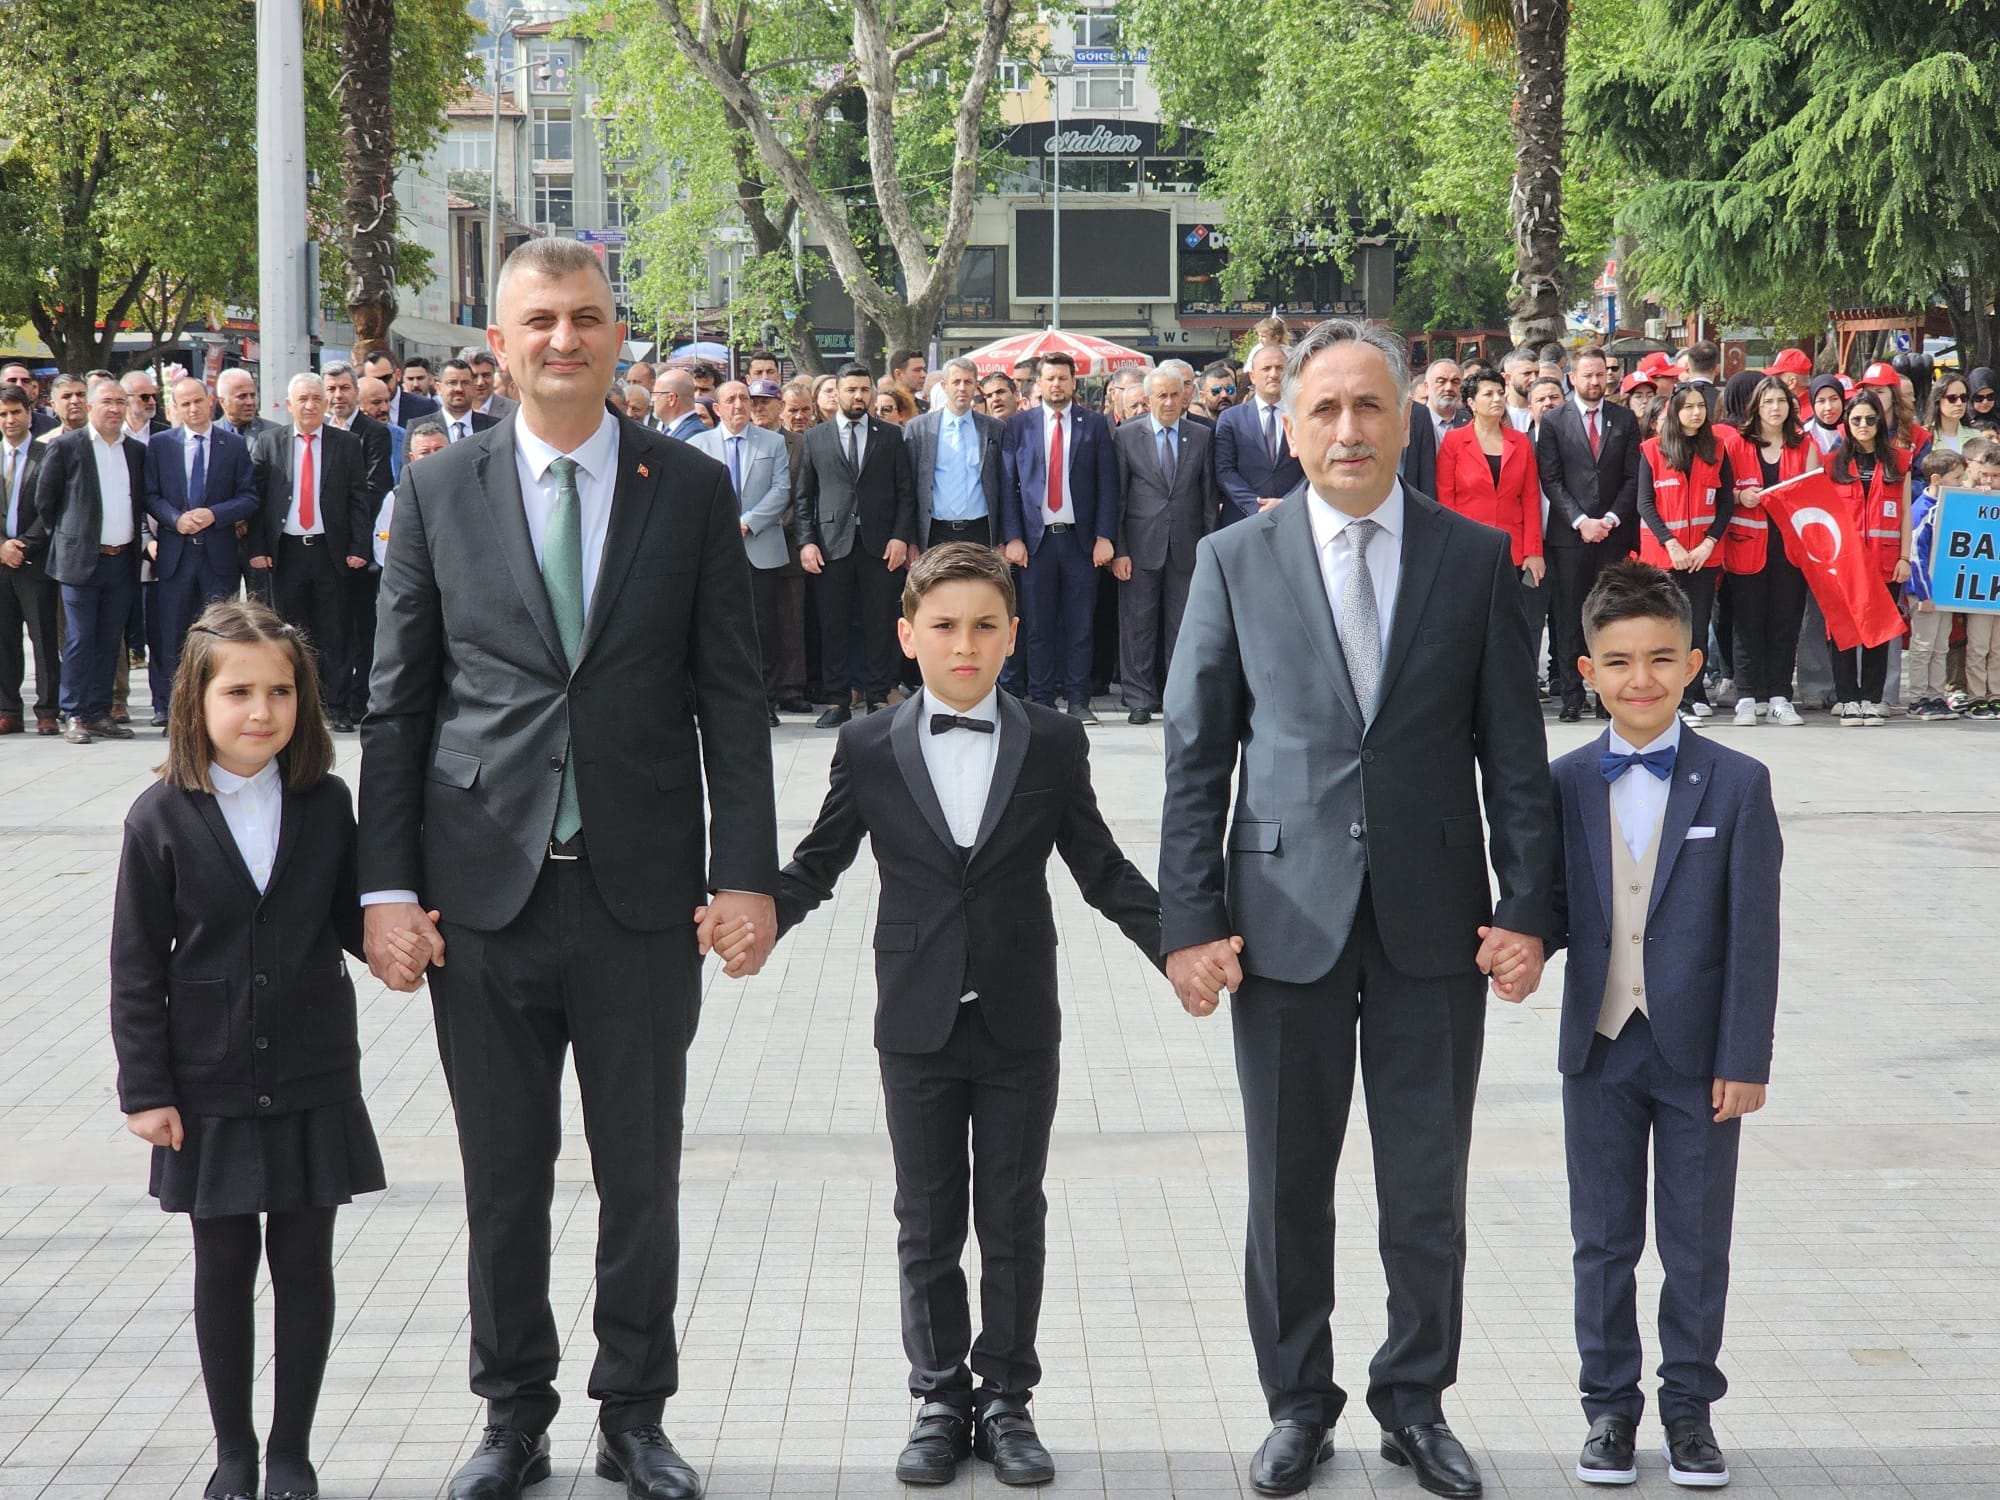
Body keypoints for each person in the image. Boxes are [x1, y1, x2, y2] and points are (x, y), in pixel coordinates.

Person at [360, 236, 779, 1500]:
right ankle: (511, 1414)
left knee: (639, 1173)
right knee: (502, 1178)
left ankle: (633, 1417)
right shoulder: (439, 491)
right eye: (538, 320)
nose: (563, 340)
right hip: (481, 896)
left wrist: (747, 874)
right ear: (497, 342)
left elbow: (733, 700)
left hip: (641, 895)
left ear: (617, 335)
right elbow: (399, 705)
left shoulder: (688, 490)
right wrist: (385, 889)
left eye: (586, 318)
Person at [1160, 318, 1554, 1500]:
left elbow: (1515, 758)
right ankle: (1295, 1404)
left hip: (1439, 919)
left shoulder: (1471, 561)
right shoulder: (1235, 559)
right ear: (1287, 429)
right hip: (1279, 920)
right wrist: (1188, 920)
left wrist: (1530, 906)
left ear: (1404, 421)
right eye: (1323, 409)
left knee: (1424, 1182)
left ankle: (1414, 1402)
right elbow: (1193, 753)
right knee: (1288, 1183)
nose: (1346, 429)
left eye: (1368, 407)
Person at [746, 543, 1161, 1489]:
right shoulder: (868, 745)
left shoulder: (1053, 741)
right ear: (907, 637)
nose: (963, 646)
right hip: (918, 1018)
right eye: (943, 627)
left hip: (1020, 1015)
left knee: (1013, 1216)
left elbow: (1100, 867)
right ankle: (939, 1395)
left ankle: (1007, 1397)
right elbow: (818, 862)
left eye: (983, 626)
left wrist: (1180, 942)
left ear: (1013, 636)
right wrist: (752, 914)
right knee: (927, 1219)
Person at [110, 600, 406, 1500]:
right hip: (208, 1080)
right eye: (238, 692)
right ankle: (234, 1452)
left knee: (305, 1267)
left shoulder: (323, 800)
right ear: (194, 701)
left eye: (280, 691)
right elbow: (133, 965)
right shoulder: (159, 814)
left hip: (313, 1068)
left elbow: (355, 916)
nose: (260, 712)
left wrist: (408, 940)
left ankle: (291, 1453)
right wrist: (145, 1089)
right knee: (224, 1267)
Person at [1548, 560, 1781, 1492]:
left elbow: (1755, 934)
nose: (1639, 680)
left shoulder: (1737, 782)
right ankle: (1608, 1410)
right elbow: (1546, 904)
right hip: (1598, 1048)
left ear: (1693, 663)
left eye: (1659, 660)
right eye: (1618, 662)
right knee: (1602, 1239)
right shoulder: (1562, 781)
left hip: (1699, 1058)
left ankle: (1689, 1409)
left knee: (1694, 1240)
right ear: (1587, 669)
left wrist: (1745, 1057)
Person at [247, 374, 374, 728]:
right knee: (291, 632)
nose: (310, 405)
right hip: (286, 553)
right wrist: (257, 547)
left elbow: (358, 499)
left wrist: (358, 546)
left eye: (317, 398)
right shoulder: (269, 443)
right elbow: (255, 501)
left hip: (329, 552)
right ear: (289, 404)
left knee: (335, 633)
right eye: (302, 399)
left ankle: (335, 707)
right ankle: (300, 708)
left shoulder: (346, 444)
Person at [796, 362, 919, 725]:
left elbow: (905, 494)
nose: (859, 396)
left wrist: (900, 537)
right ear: (836, 392)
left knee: (880, 621)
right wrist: (806, 542)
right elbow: (804, 496)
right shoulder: (815, 438)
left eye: (865, 389)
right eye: (851, 389)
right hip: (831, 545)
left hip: (880, 545)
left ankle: (879, 694)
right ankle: (838, 700)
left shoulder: (890, 435)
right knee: (833, 624)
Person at [998, 352, 1118, 723]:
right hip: (1036, 543)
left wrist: (1104, 536)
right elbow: (1009, 487)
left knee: (1080, 624)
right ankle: (1042, 699)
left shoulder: (1094, 425)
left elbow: (1107, 485)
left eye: (1063, 378)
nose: (1056, 385)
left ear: (1073, 383)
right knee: (1037, 624)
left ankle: (1079, 700)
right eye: (1049, 378)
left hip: (1080, 542)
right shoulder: (1020, 426)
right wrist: (1013, 537)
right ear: (1037, 384)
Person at [35, 377, 145, 744]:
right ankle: (75, 713)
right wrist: (71, 539)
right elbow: (45, 503)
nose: (115, 409)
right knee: (80, 639)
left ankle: (100, 712)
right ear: (92, 407)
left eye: (120, 402)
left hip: (121, 560)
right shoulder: (68, 447)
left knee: (110, 639)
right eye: (108, 402)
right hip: (81, 561)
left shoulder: (135, 451)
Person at [144, 377, 260, 723]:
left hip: (218, 554)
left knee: (219, 632)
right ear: (175, 409)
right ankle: (168, 705)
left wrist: (215, 514)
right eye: (185, 404)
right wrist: (175, 519)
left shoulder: (233, 445)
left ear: (211, 402)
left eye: (198, 401)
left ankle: (216, 701)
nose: (193, 409)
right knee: (172, 632)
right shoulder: (160, 445)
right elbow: (150, 495)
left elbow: (249, 497)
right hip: (176, 554)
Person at [1540, 346, 1644, 721]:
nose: (1595, 382)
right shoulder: (1554, 421)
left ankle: (1606, 695)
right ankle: (1571, 695)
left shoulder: (1625, 419)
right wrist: (1580, 520)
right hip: (1570, 538)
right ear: (1573, 378)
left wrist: (1612, 518)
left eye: (1601, 375)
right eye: (1587, 375)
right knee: (1569, 617)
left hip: (1613, 535)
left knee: (1610, 616)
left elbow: (1634, 476)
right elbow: (1550, 478)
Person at [1111, 367, 1219, 726]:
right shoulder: (1126, 436)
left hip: (1187, 546)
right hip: (1140, 547)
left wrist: (1208, 546)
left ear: (1185, 396)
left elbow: (1207, 498)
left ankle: (1178, 697)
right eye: (1162, 396)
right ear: (1148, 398)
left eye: (1176, 394)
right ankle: (1139, 698)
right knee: (1137, 626)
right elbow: (1119, 498)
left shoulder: (1201, 436)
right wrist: (1120, 549)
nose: (1170, 402)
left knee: (1183, 626)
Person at [690, 381, 793, 725]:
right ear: (716, 408)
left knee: (764, 626)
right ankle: (725, 699)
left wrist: (748, 522)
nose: (739, 404)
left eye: (744, 398)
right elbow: (694, 495)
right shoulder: (698, 445)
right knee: (719, 626)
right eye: (730, 399)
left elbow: (781, 490)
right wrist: (722, 527)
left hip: (759, 547)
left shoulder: (773, 442)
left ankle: (765, 699)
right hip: (715, 552)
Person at [1637, 384, 1735, 723]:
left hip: (1703, 558)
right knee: (1666, 628)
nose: (1696, 412)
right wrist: (1672, 544)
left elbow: (1725, 503)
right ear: (1675, 413)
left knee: (1696, 626)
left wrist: (1708, 543)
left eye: (1700, 406)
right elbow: (1645, 504)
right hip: (1665, 558)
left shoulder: (1718, 450)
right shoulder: (1652, 450)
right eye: (1688, 407)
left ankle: (1694, 693)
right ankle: (1672, 697)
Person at [1725, 376, 1816, 728]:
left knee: (1785, 622)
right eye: (1768, 402)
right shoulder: (1737, 445)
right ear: (1756, 408)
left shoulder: (1803, 445)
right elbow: (1721, 490)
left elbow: (1813, 494)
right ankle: (1747, 696)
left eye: (1781, 401)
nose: (1775, 409)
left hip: (1789, 549)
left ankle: (1780, 695)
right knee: (1746, 623)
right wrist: (1739, 497)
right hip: (1747, 547)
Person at [1436, 367, 1545, 635]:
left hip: (1513, 547)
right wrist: (1451, 549)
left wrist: (1534, 551)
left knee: (1509, 623)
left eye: (1500, 392)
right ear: (1471, 403)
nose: (1497, 398)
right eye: (1488, 394)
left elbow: (1531, 499)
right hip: (1468, 547)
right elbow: (1445, 500)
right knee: (1470, 622)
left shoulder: (1520, 442)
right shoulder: (1453, 442)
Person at [1824, 391, 1911, 725]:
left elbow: (1904, 513)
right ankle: (1847, 697)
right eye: (1856, 419)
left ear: (1880, 421)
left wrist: (1905, 556)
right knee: (1843, 631)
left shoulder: (1898, 461)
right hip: (1843, 564)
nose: (1863, 425)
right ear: (1847, 422)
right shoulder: (1832, 463)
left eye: (1870, 419)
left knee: (1877, 631)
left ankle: (1873, 698)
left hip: (1884, 561)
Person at [0, 382, 60, 733]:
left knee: (43, 638)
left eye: (16, 412)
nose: (10, 420)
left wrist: (22, 544)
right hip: (1, 564)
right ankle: (8, 708)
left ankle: (48, 710)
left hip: (34, 562)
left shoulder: (46, 454)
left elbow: (50, 509)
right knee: (4, 638)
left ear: (28, 413)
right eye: (3, 414)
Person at [904, 357, 1003, 552]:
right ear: (944, 385)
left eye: (968, 382)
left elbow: (1003, 484)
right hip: (935, 532)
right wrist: (911, 540)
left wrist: (1002, 538)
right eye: (956, 382)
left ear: (976, 386)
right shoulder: (919, 428)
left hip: (981, 531)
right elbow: (908, 488)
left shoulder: (994, 428)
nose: (962, 388)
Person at [1213, 343, 1301, 524]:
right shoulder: (1231, 418)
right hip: (1242, 518)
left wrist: (1287, 502)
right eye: (1266, 368)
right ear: (1252, 376)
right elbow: (1224, 471)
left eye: (1280, 368)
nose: (1274, 374)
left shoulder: (1302, 416)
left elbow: (1312, 466)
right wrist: (1256, 506)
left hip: (1294, 515)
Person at [1905, 450, 1963, 720]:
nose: (1962, 483)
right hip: (1924, 592)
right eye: (1957, 478)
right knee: (1923, 646)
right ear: (1937, 479)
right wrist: (1923, 594)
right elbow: (1915, 556)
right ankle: (1917, 698)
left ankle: (1936, 694)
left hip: (1944, 591)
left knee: (1940, 647)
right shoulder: (1922, 510)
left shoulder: (1951, 506)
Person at [1925, 372, 1975, 453]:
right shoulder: (1925, 436)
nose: (1959, 403)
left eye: (1964, 397)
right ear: (1938, 400)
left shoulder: (1976, 436)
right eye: (1952, 398)